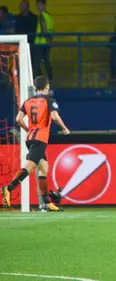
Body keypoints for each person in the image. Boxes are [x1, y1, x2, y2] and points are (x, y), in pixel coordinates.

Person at [1, 76, 70, 211]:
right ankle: (9, 188)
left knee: (44, 167)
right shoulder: (49, 100)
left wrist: (29, 129)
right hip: (40, 139)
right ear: (47, 86)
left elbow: (18, 119)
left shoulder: (27, 101)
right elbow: (55, 117)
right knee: (31, 166)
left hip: (30, 137)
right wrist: (64, 128)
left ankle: (47, 202)